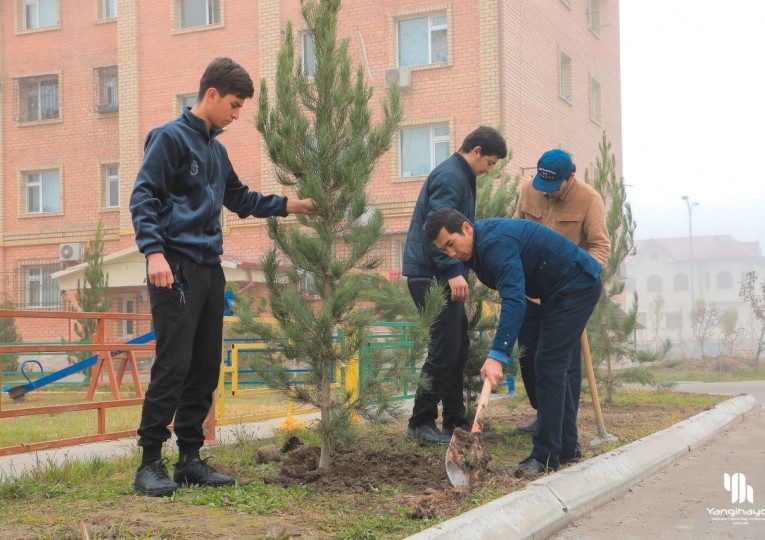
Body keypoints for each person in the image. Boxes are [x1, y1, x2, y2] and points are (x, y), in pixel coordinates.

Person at [129, 57, 314, 496]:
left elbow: (240, 198)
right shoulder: (169, 138)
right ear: (210, 95)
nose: (236, 114)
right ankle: (149, 462)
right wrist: (153, 253)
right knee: (174, 362)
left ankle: (190, 458)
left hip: (210, 268)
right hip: (173, 265)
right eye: (233, 105)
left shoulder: (217, 149)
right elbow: (144, 196)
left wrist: (292, 205)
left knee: (205, 365)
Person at [424, 208, 602, 478]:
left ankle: (545, 457)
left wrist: (497, 355)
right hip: (553, 290)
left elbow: (514, 298)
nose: (451, 254)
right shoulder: (478, 248)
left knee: (549, 362)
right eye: (443, 250)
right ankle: (566, 448)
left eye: (451, 244)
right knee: (548, 363)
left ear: (466, 228)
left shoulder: (494, 244)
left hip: (576, 285)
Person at [402, 126, 508, 445]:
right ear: (475, 151)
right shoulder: (452, 176)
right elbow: (437, 228)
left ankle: (453, 420)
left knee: (457, 345)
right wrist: (451, 269)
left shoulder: (462, 175)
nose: (488, 170)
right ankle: (420, 421)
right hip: (431, 273)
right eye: (488, 162)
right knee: (445, 346)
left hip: (439, 272)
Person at [513, 149, 610, 437]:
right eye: (544, 185)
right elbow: (517, 231)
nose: (548, 192)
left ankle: (561, 426)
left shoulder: (589, 200)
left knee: (563, 362)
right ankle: (544, 414)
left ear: (570, 177)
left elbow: (600, 248)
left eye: (554, 186)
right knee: (529, 357)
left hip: (565, 295)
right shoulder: (529, 189)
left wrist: (577, 282)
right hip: (531, 291)